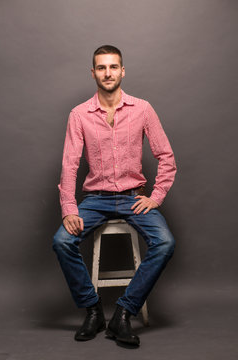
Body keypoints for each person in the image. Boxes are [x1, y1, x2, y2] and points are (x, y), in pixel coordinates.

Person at [53, 45, 177, 347]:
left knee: (166, 242)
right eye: (101, 67)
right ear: (93, 72)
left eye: (113, 67)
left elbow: (166, 156)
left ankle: (123, 312)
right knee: (61, 241)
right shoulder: (79, 114)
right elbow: (70, 164)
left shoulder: (143, 109)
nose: (107, 73)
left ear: (122, 71)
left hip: (134, 197)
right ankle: (93, 310)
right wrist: (69, 207)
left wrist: (156, 196)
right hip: (95, 199)